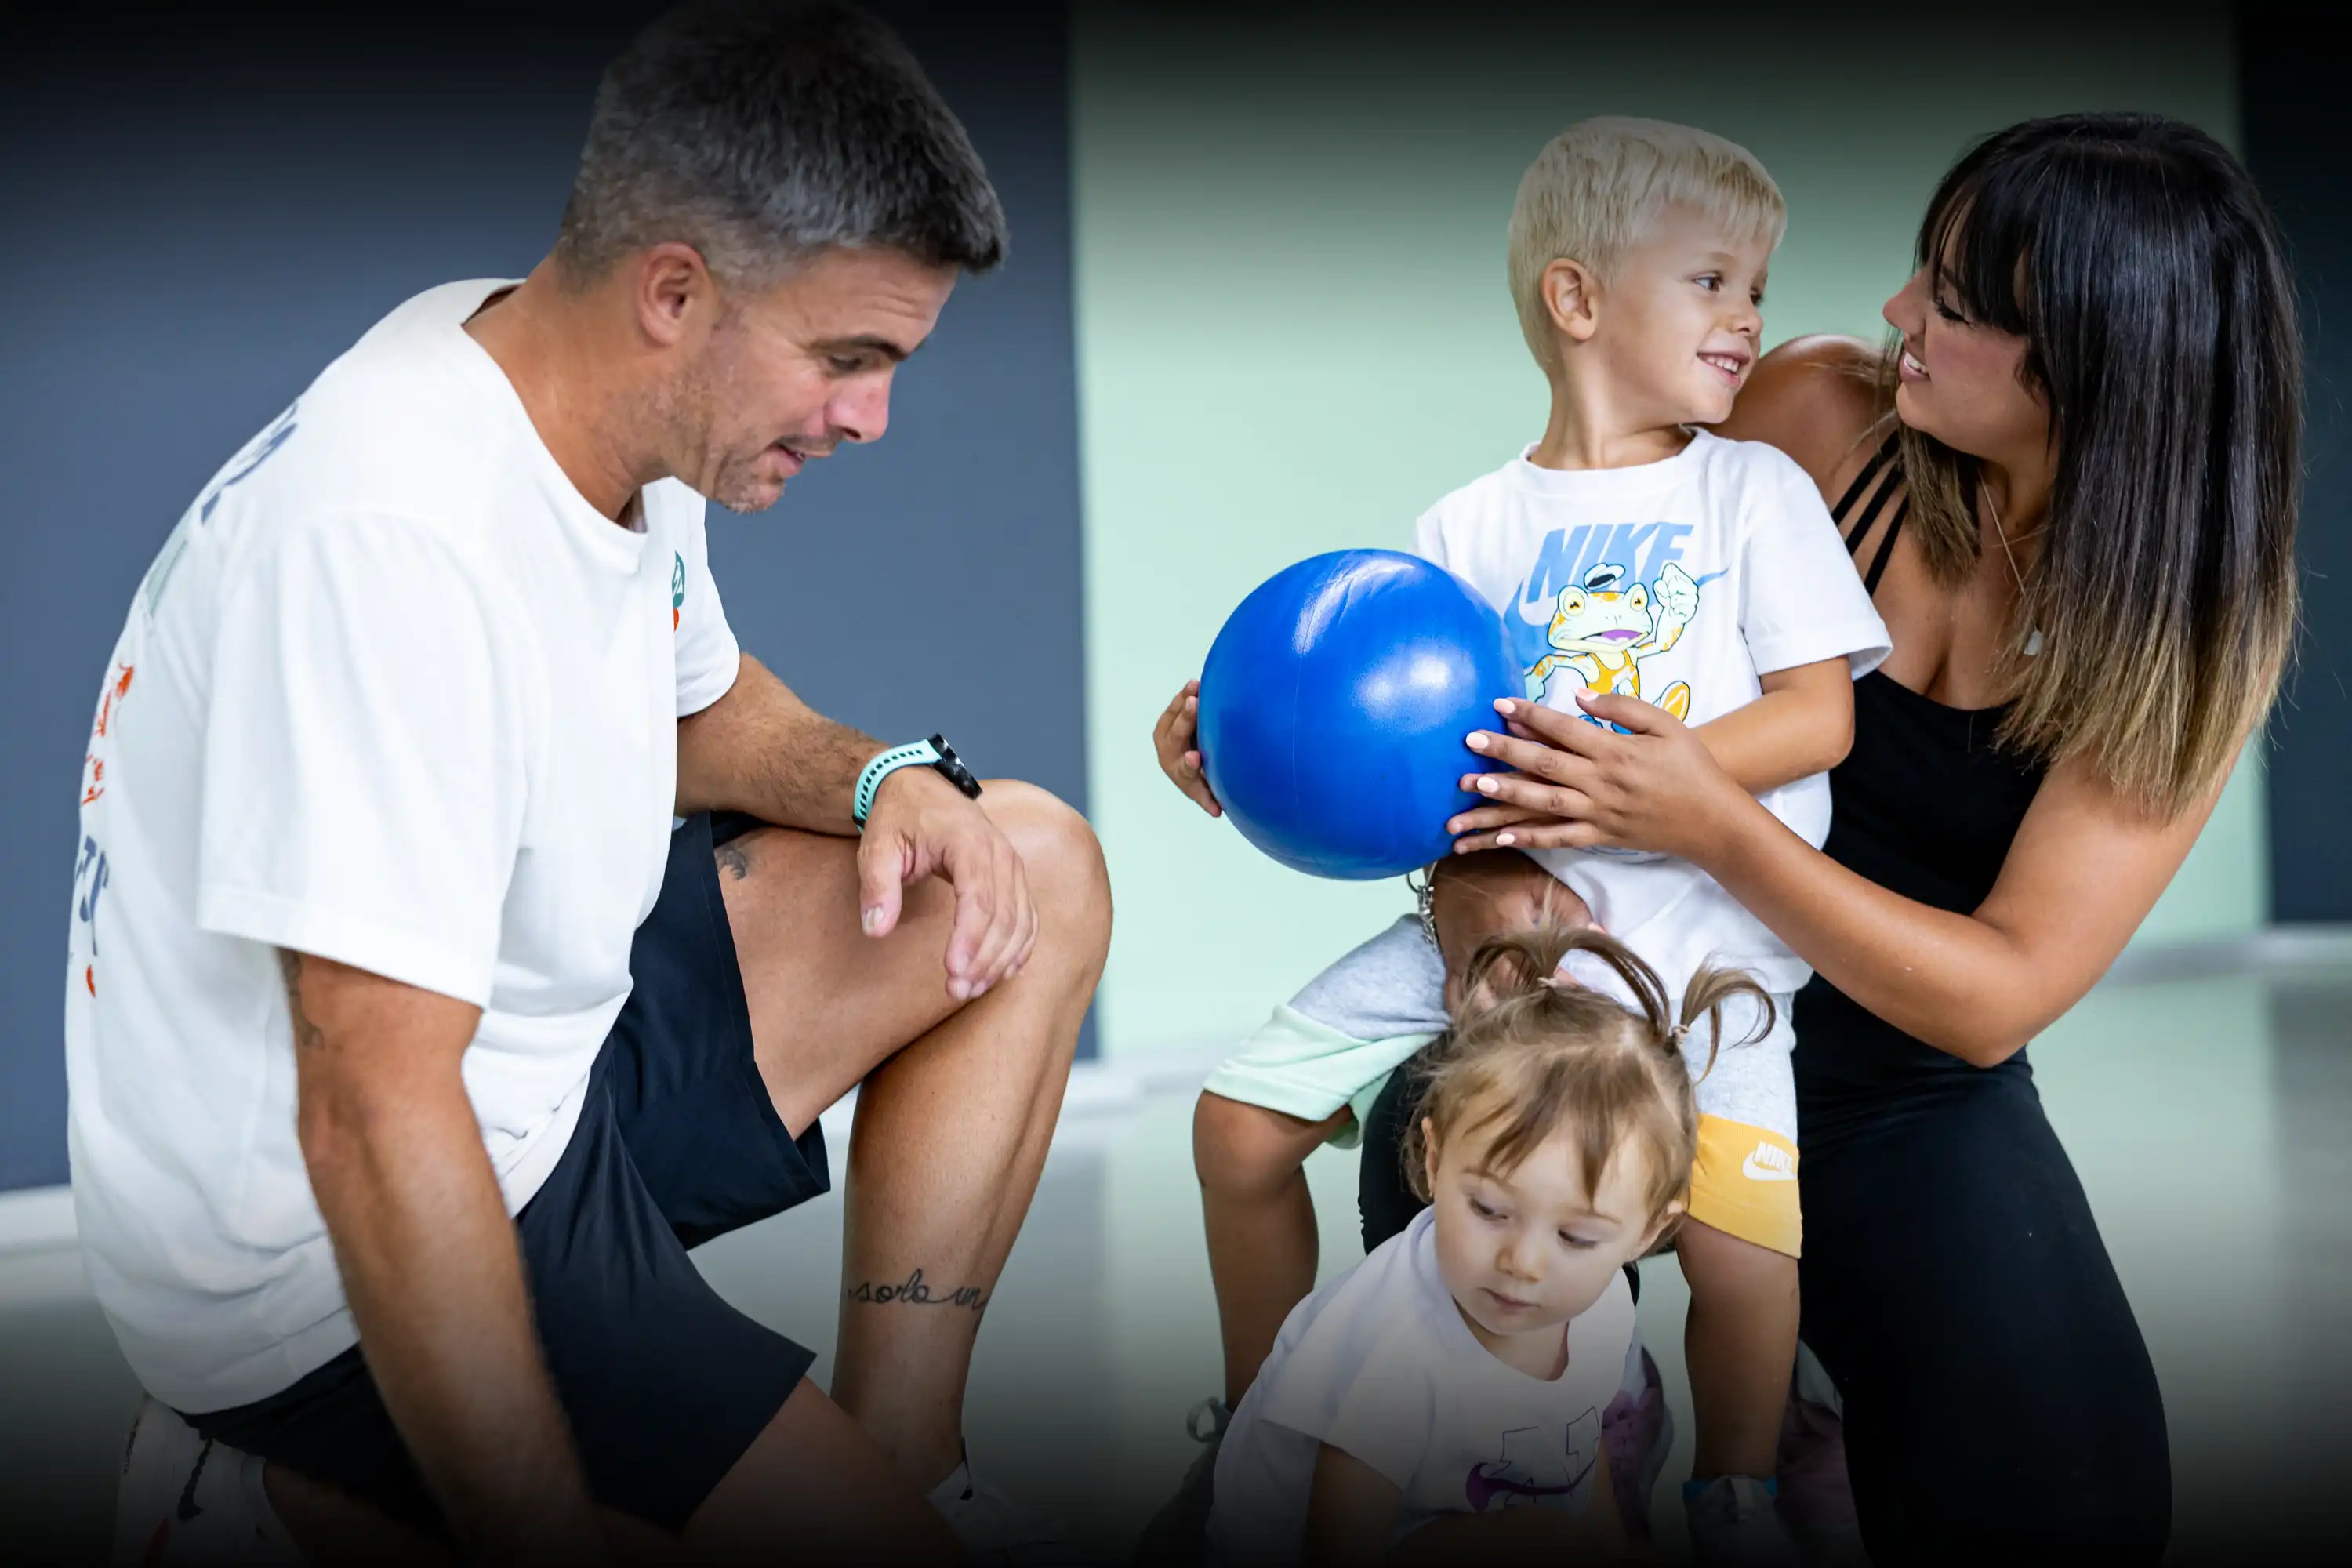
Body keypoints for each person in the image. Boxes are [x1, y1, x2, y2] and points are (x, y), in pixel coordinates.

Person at [67, 4, 1110, 1561]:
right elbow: (370, 1106)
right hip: (313, 1248)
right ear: (676, 290)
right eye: (848, 358)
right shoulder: (393, 538)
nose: (871, 418)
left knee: (1027, 855)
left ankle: (906, 1460)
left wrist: (887, 771)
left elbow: (700, 711)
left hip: (545, 1076)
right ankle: (258, 1487)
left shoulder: (591, 406)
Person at [1355, 113, 2303, 1562]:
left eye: (1957, 304)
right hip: (1629, 1007)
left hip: (1898, 1087)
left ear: (2097, 373)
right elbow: (1538, 635)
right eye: (1924, 268)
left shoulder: (2190, 631)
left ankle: (1805, 1402)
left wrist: (1720, 827)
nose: (1896, 313)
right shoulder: (1814, 415)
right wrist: (1307, 748)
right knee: (1430, 1200)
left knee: (2081, 1506)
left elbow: (1997, 995)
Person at [1151, 118, 1888, 1560]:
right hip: (1512, 942)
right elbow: (1404, 758)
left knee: (1740, 1251)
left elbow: (1818, 717)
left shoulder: (1752, 494)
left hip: (1709, 940)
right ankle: (1263, 1426)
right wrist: (1242, 751)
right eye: (1715, 281)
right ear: (1578, 299)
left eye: (1758, 286)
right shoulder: (1465, 527)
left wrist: (1641, 782)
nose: (1750, 318)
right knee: (1238, 1127)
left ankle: (1733, 1487)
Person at [1207, 926, 1771, 1564]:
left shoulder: (1603, 1300)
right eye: (1488, 1210)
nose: (1522, 1264)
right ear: (1436, 1156)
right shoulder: (1394, 1350)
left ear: (1651, 1230)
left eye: (1577, 1236)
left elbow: (1581, 1456)